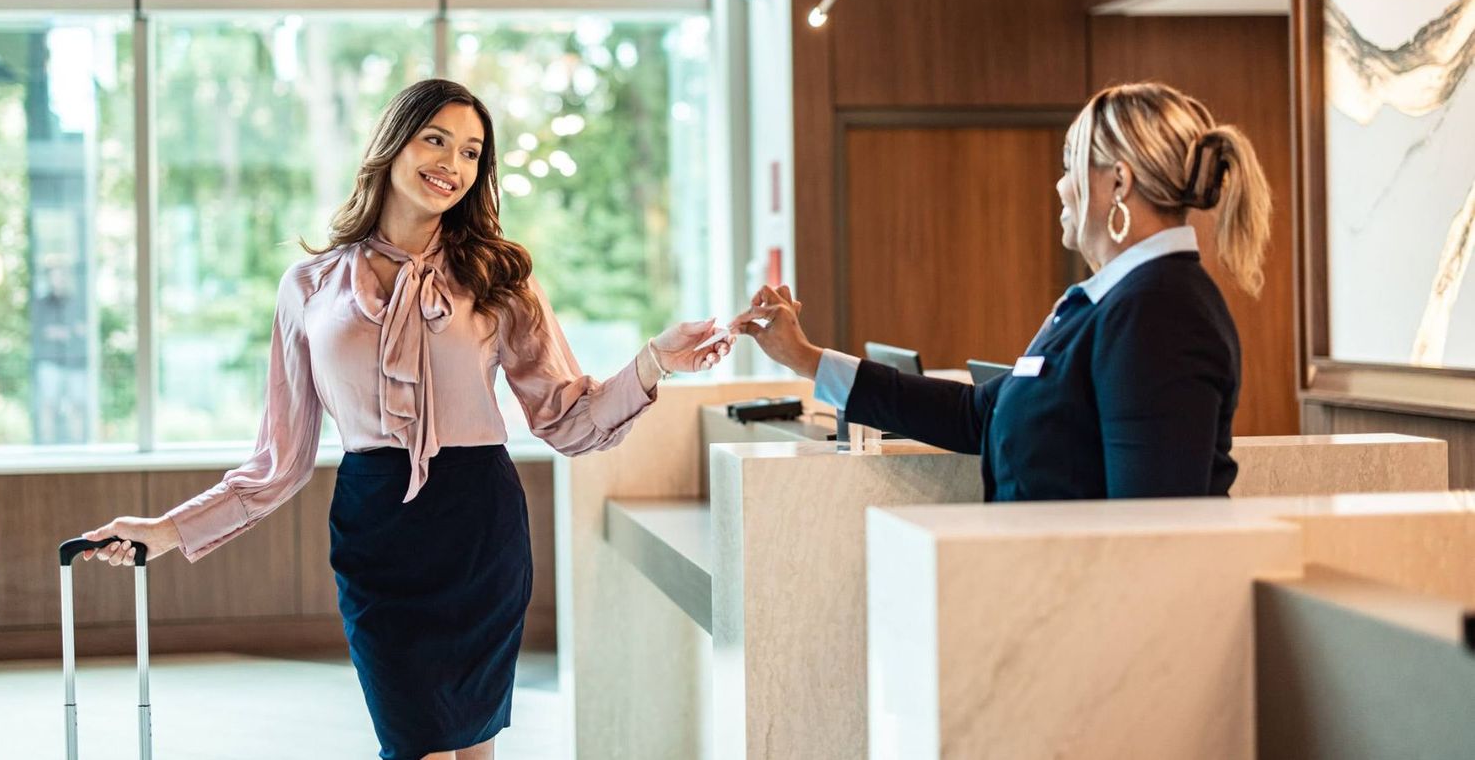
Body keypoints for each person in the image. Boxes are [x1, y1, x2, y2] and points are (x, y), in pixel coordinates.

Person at [79, 78, 733, 760]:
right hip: (376, 530)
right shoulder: (309, 286)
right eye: (436, 139)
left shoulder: (500, 278)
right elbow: (280, 460)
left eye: (473, 152)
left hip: (480, 525)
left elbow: (566, 420)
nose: (453, 163)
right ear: (394, 144)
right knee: (415, 743)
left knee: (473, 748)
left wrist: (654, 361)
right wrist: (167, 529)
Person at [735, 81, 1272, 500]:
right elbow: (978, 414)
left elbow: (1149, 527)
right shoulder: (1114, 301)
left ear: (1119, 182)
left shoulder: (1159, 311)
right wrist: (805, 359)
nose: (1061, 185)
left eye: (1070, 165)